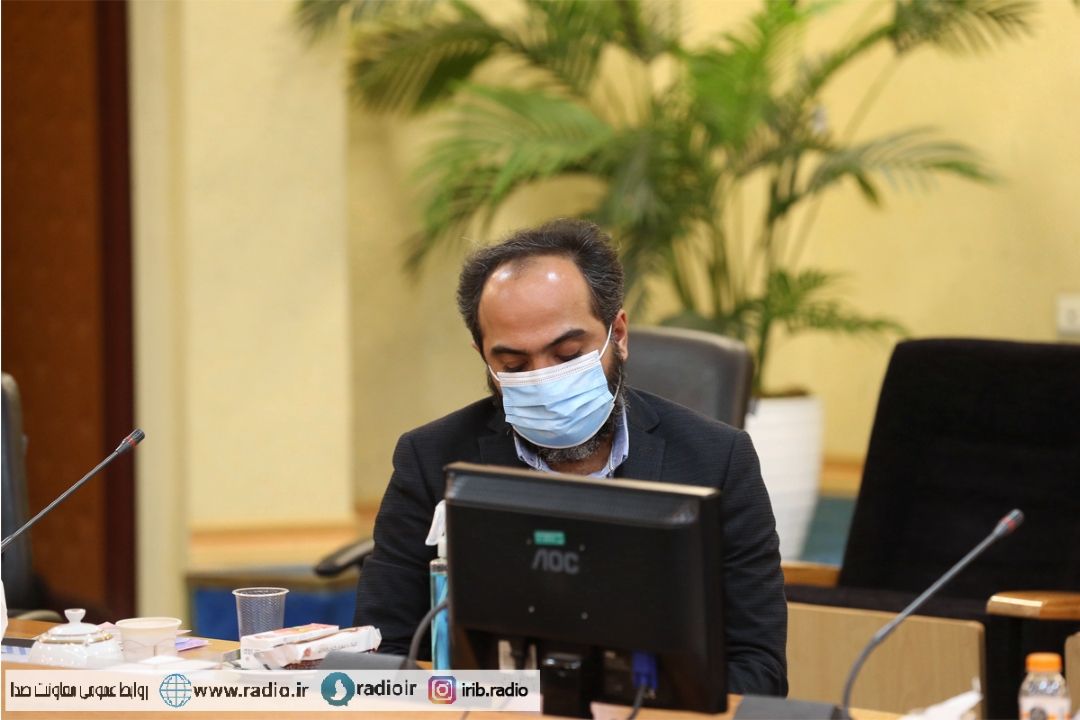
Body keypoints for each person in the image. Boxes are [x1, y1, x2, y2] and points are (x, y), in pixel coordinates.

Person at [354, 218, 788, 696]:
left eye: (567, 354)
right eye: (514, 364)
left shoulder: (717, 460)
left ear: (618, 334)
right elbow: (383, 655)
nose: (544, 380)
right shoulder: (429, 460)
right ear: (484, 358)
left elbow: (759, 671)